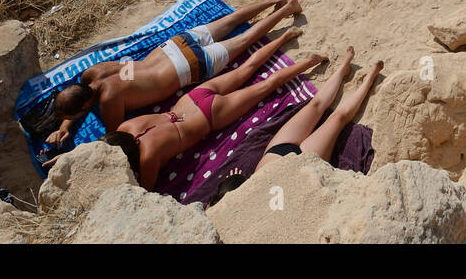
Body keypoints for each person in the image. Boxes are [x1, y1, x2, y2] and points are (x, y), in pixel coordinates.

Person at [47, 0, 302, 144]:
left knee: (244, 40)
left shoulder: (110, 101)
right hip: (173, 47)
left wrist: (67, 131)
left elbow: (114, 139)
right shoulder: (91, 74)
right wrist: (64, 127)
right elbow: (79, 100)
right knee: (230, 20)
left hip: (187, 68)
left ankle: (289, 8)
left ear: (84, 107)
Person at [102, 34, 327, 190]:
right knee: (246, 69)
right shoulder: (125, 127)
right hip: (190, 100)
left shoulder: (147, 157)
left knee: (264, 87)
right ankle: (284, 37)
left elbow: (144, 189)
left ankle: (309, 62)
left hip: (209, 116)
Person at [251, 47, 383, 177]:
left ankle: (343, 69)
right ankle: (369, 80)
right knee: (337, 118)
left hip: (274, 156)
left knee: (314, 105)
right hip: (301, 169)